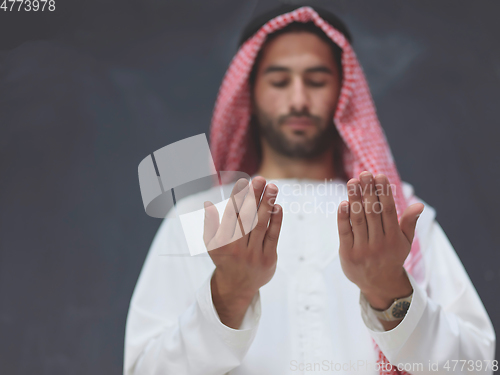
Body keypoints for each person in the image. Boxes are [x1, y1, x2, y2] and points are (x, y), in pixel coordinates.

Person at [124, 5, 496, 375]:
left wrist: (391, 291)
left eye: (316, 81)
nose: (299, 99)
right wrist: (228, 296)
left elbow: (475, 367)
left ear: (344, 94)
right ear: (249, 94)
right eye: (279, 81)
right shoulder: (198, 220)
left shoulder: (396, 220)